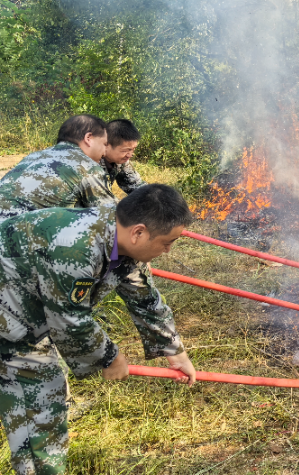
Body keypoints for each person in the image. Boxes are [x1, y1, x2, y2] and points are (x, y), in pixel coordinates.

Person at [0, 183, 197, 475]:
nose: (168, 251)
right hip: (13, 318)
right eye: (168, 242)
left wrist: (176, 354)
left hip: (21, 309)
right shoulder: (75, 244)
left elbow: (145, 299)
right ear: (139, 232)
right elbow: (69, 319)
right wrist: (109, 357)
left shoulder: (121, 239)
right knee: (41, 402)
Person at [0, 115, 115, 222]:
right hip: (16, 236)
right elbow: (112, 218)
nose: (105, 152)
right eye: (104, 144)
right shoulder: (86, 166)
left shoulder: (34, 156)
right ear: (88, 138)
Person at [101, 119, 146, 195]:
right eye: (126, 150)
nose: (130, 155)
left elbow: (138, 187)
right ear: (106, 145)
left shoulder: (121, 161)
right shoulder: (89, 163)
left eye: (133, 149)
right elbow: (100, 201)